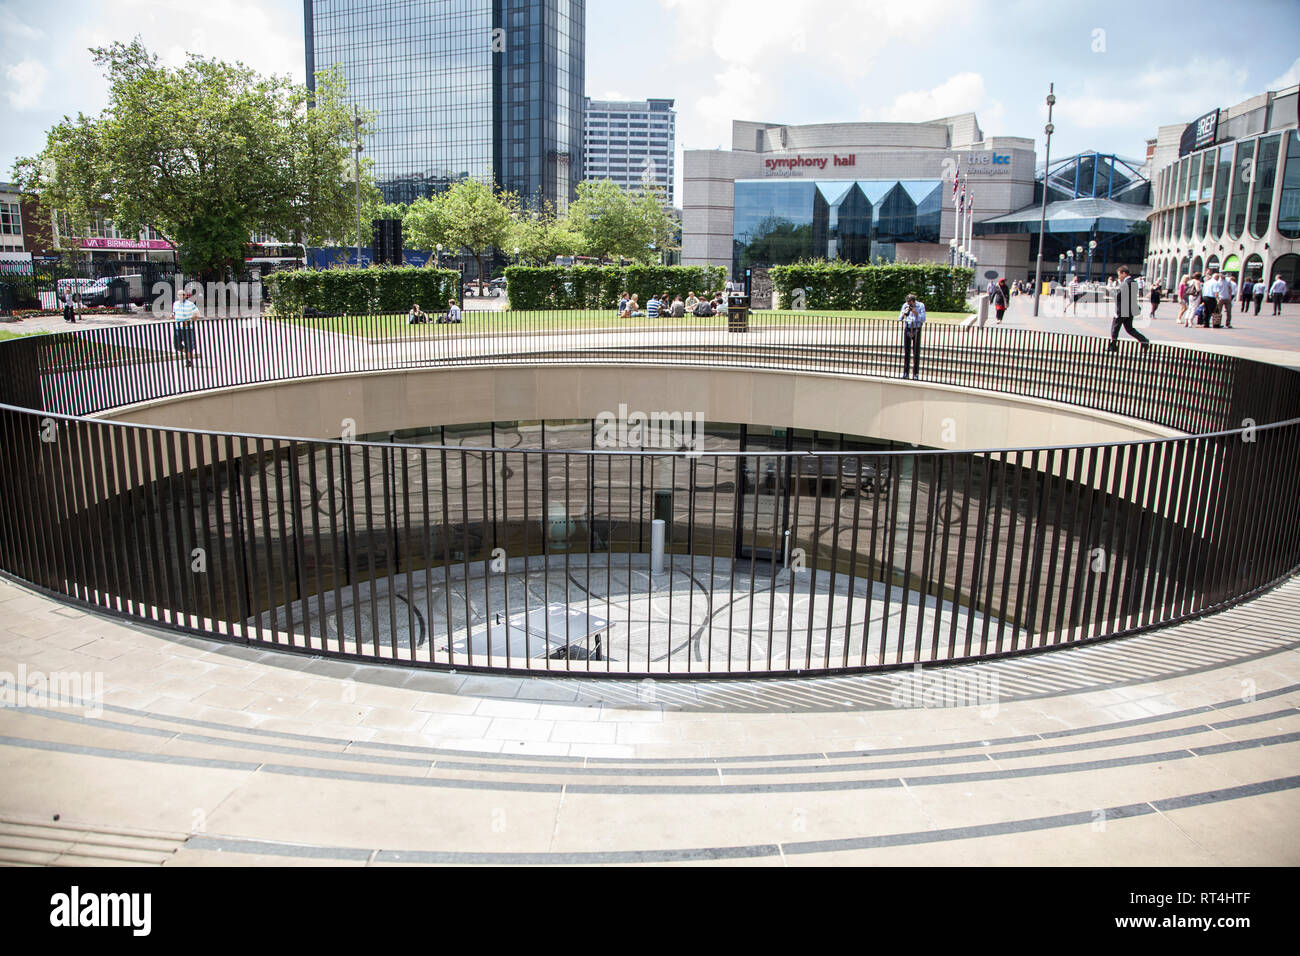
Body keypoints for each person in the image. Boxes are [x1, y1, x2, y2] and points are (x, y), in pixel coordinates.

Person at [1107, 266, 1150, 352]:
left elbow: (1118, 296)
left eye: (1119, 275)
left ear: (1124, 273)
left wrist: (1110, 290)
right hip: (1130, 310)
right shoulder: (1134, 282)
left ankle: (1113, 346)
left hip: (1122, 310)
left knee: (1115, 328)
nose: (1119, 277)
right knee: (1129, 329)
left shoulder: (1126, 283)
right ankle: (1144, 340)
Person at [899, 294, 926, 379]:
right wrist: (904, 314)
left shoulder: (920, 305)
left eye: (910, 303)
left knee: (916, 352)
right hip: (908, 328)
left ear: (913, 301)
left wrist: (915, 312)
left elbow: (923, 319)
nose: (909, 304)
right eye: (907, 302)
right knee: (907, 352)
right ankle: (906, 373)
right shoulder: (905, 305)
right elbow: (899, 318)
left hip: (916, 329)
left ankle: (915, 373)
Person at [172, 288, 199, 367]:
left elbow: (197, 314)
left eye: (183, 294)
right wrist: (172, 316)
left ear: (186, 296)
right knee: (176, 345)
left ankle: (188, 360)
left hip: (188, 328)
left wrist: (190, 320)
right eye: (179, 295)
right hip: (178, 328)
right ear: (177, 296)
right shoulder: (175, 304)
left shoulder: (190, 304)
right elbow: (174, 313)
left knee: (189, 344)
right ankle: (188, 353)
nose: (181, 296)